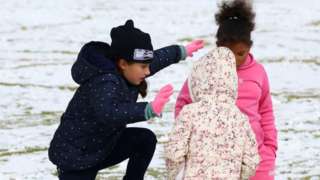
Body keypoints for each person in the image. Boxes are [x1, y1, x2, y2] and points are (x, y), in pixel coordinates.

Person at [48, 19, 204, 180]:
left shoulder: (130, 70)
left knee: (145, 140)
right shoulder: (105, 81)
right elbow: (109, 112)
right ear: (123, 63)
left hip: (103, 146)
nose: (147, 71)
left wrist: (180, 51)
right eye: (143, 67)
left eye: (147, 66)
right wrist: (148, 109)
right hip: (76, 156)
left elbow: (155, 60)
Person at [174, 1, 278, 179]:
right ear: (218, 46)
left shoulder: (258, 72)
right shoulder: (203, 71)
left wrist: (270, 149)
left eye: (240, 54)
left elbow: (266, 110)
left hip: (256, 158)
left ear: (249, 47)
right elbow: (183, 107)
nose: (233, 60)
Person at [164, 47, 259, 180]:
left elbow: (174, 152)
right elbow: (251, 161)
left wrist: (176, 174)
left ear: (197, 81)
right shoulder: (240, 118)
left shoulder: (190, 113)